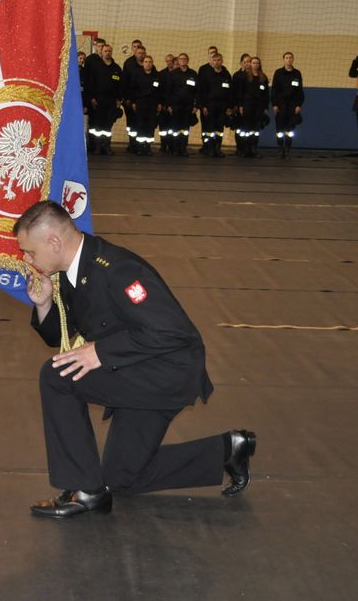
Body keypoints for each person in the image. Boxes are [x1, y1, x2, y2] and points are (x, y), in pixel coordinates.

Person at [14, 201, 256, 518]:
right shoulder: (73, 270)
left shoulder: (117, 270)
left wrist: (99, 352)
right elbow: (59, 334)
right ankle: (229, 449)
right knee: (120, 478)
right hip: (134, 369)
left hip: (164, 373)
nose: (25, 259)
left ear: (54, 242)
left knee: (57, 376)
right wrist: (44, 304)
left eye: (30, 252)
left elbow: (173, 332)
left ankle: (84, 491)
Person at [196, 50, 232, 157]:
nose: (217, 62)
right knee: (210, 128)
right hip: (210, 105)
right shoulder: (207, 75)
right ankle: (210, 148)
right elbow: (201, 91)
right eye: (214, 60)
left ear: (222, 61)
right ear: (211, 61)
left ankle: (218, 148)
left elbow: (230, 92)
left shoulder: (226, 74)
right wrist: (203, 106)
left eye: (219, 60)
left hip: (222, 106)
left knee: (219, 129)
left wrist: (229, 107)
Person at [271, 52, 304, 158]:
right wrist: (275, 104)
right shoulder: (278, 73)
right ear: (283, 59)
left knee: (290, 128)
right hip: (280, 104)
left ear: (293, 59)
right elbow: (274, 90)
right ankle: (280, 148)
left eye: (290, 58)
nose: (288, 59)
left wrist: (299, 105)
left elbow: (300, 91)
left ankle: (288, 148)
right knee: (279, 128)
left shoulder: (297, 73)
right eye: (286, 58)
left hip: (293, 105)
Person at [236, 57, 269, 158]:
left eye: (257, 63)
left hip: (259, 106)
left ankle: (254, 149)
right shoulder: (244, 77)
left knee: (256, 129)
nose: (255, 65)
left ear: (259, 65)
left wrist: (265, 107)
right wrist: (240, 105)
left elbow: (266, 94)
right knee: (246, 128)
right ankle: (245, 149)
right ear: (250, 64)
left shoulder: (263, 77)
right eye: (253, 63)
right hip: (247, 105)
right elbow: (240, 92)